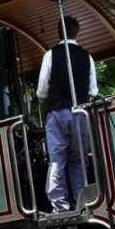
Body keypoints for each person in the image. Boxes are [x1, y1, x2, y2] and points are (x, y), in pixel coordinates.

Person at [36, 15, 98, 212]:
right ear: (77, 34)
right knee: (78, 161)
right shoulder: (87, 56)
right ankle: (82, 203)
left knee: (57, 160)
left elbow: (41, 91)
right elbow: (93, 91)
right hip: (80, 114)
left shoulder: (50, 55)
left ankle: (59, 205)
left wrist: (53, 101)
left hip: (58, 112)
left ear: (58, 34)